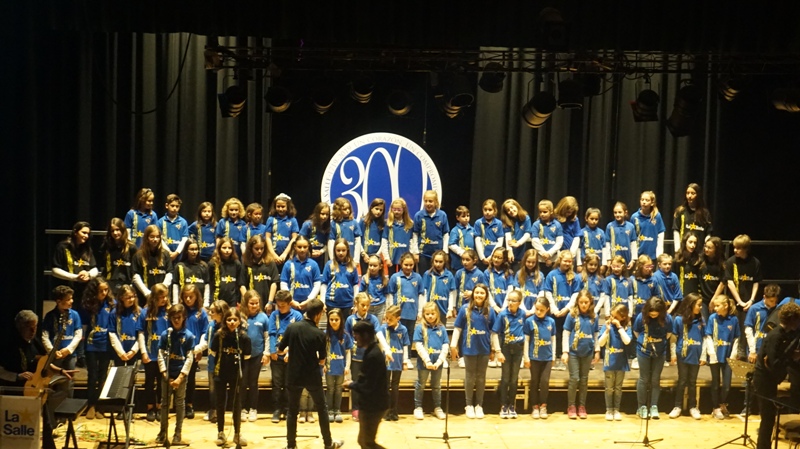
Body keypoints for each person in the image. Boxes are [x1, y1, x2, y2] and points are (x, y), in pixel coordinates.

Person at [0, 310, 79, 449]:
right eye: (29, 327)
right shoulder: (9, 345)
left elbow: (45, 362)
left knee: (47, 424)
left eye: (35, 327)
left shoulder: (34, 342)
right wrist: (16, 376)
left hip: (36, 390)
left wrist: (60, 370)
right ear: (20, 327)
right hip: (16, 393)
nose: (33, 330)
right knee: (22, 428)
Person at [278, 298, 345, 449]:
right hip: (312, 376)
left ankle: (291, 445)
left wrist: (291, 351)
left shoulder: (292, 328)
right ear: (319, 314)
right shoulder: (319, 334)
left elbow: (280, 351)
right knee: (322, 409)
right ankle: (328, 444)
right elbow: (322, 361)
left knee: (292, 411)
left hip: (293, 375)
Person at [753, 302, 800, 449]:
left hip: (770, 379)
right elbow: (773, 363)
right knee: (767, 419)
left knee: (769, 419)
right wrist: (791, 357)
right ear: (793, 320)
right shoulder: (776, 336)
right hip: (763, 380)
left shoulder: (787, 334)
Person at [450, 283, 496, 419]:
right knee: (470, 377)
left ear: (486, 295)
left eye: (482, 293)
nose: (479, 295)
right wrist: (453, 346)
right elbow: (458, 328)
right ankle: (469, 404)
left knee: (481, 377)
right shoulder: (465, 309)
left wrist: (493, 348)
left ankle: (479, 405)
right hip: (469, 348)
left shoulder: (490, 311)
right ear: (472, 294)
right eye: (477, 293)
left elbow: (494, 331)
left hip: (484, 349)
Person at [210, 308, 251, 447]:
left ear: (239, 321)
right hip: (220, 374)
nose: (232, 322)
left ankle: (237, 434)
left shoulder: (244, 338)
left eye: (235, 320)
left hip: (236, 375)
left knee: (236, 404)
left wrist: (242, 376)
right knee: (220, 403)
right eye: (229, 320)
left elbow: (246, 359)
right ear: (224, 321)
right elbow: (213, 353)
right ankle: (221, 433)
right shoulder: (218, 336)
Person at [345, 320, 388, 449]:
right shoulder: (371, 352)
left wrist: (351, 385)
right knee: (364, 441)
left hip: (374, 405)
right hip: (372, 404)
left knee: (367, 442)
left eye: (356, 336)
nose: (355, 340)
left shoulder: (373, 356)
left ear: (365, 335)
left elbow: (369, 387)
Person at [156, 304, 195, 445]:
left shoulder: (189, 336)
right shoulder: (166, 335)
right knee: (164, 403)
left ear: (184, 317)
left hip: (180, 376)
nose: (176, 320)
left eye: (179, 318)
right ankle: (162, 432)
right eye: (173, 318)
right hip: (167, 374)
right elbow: (160, 354)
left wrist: (180, 377)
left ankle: (178, 433)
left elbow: (189, 358)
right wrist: (165, 373)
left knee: (179, 404)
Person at [80, 278, 115, 419]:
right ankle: (91, 405)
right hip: (91, 344)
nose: (104, 293)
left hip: (106, 344)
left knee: (102, 376)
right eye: (101, 291)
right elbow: (82, 327)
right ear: (94, 291)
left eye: (106, 290)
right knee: (92, 375)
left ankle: (101, 406)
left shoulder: (112, 304)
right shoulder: (87, 305)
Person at [633, 297, 673, 419]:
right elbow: (636, 332)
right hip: (643, 351)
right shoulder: (641, 317)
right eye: (651, 312)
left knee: (655, 379)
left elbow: (668, 334)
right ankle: (641, 407)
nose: (653, 314)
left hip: (659, 352)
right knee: (644, 379)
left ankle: (654, 406)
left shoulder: (667, 318)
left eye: (656, 312)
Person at [562, 290, 600, 419]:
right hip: (573, 352)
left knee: (584, 380)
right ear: (577, 302)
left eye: (586, 302)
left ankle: (582, 406)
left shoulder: (594, 317)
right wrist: (565, 352)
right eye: (581, 302)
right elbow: (566, 333)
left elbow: (596, 335)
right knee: (574, 379)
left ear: (590, 303)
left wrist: (597, 350)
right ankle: (571, 405)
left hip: (587, 353)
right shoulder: (572, 315)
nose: (584, 305)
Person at [344, 292, 382, 422]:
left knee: (369, 383)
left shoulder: (373, 319)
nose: (365, 308)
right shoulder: (350, 320)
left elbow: (378, 334)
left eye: (367, 305)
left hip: (369, 358)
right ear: (356, 304)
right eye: (362, 305)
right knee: (356, 383)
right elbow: (347, 336)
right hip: (355, 357)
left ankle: (368, 407)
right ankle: (355, 408)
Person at [268, 290, 304, 423]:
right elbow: (272, 333)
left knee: (290, 384)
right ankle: (277, 409)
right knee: (277, 384)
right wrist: (273, 350)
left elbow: (298, 338)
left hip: (291, 355)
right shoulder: (274, 315)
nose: (280, 308)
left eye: (283, 305)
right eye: (278, 305)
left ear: (290, 304)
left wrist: (290, 352)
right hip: (277, 355)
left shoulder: (298, 316)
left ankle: (290, 409)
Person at [543, 250, 583, 370]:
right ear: (560, 260)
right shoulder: (552, 275)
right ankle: (554, 358)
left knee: (567, 335)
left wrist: (566, 309)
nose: (567, 263)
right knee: (556, 335)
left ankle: (566, 359)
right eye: (565, 261)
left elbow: (576, 295)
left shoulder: (575, 277)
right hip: (554, 311)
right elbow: (548, 292)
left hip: (568, 312)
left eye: (570, 261)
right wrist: (554, 308)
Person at [725, 234, 762, 360]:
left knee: (747, 328)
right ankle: (732, 354)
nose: (735, 250)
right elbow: (729, 282)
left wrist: (751, 300)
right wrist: (739, 301)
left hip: (749, 302)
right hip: (735, 301)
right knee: (735, 328)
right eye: (734, 247)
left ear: (745, 249)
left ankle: (745, 354)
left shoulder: (755, 262)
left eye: (738, 248)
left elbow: (756, 282)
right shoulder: (731, 262)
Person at [42, 285, 83, 397]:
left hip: (69, 355)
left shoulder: (74, 315)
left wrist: (68, 350)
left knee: (68, 381)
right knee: (53, 382)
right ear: (59, 301)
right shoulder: (50, 316)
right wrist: (52, 351)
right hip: (55, 355)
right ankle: (52, 410)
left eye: (72, 298)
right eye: (68, 299)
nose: (72, 301)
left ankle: (67, 409)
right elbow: (44, 335)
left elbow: (78, 334)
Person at [136, 283, 170, 421]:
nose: (164, 300)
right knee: (149, 382)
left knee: (163, 382)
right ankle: (150, 408)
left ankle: (160, 407)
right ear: (154, 298)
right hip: (150, 353)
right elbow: (141, 333)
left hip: (164, 354)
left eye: (166, 297)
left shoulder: (169, 312)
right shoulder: (145, 312)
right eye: (161, 297)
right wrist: (143, 352)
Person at [669, 293, 705, 420]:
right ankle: (677, 406)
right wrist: (673, 354)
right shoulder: (679, 320)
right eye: (698, 305)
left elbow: (705, 338)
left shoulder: (701, 320)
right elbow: (673, 338)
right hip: (682, 355)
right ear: (690, 305)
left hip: (695, 355)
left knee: (692, 382)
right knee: (682, 380)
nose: (700, 308)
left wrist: (704, 355)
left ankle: (693, 407)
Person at [705, 294, 740, 419]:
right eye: (714, 306)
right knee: (715, 383)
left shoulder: (734, 320)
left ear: (725, 306)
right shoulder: (712, 318)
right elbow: (708, 336)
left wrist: (733, 355)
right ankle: (715, 408)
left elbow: (736, 338)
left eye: (717, 306)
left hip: (728, 357)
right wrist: (712, 354)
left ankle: (722, 404)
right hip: (715, 356)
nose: (715, 308)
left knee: (727, 384)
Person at [413, 302, 449, 420]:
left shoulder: (441, 328)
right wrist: (427, 361)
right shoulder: (420, 328)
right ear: (423, 314)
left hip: (437, 363)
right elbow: (418, 345)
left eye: (432, 313)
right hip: (424, 363)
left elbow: (445, 345)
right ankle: (418, 407)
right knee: (421, 384)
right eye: (427, 314)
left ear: (437, 314)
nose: (430, 316)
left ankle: (438, 407)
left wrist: (439, 361)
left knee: (436, 385)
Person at [493, 290, 525, 418]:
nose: (510, 303)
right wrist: (498, 351)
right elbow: (495, 333)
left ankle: (512, 405)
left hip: (518, 349)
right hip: (505, 349)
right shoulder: (502, 315)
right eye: (509, 300)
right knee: (505, 378)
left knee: (514, 379)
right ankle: (503, 405)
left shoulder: (522, 314)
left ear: (519, 302)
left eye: (513, 301)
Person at [196, 300, 230, 423]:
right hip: (212, 362)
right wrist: (196, 350)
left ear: (220, 313)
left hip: (224, 364)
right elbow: (206, 341)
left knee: (222, 388)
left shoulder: (227, 326)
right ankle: (213, 409)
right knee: (212, 388)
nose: (209, 313)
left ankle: (221, 411)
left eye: (212, 311)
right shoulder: (211, 326)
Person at [523, 297, 556, 419]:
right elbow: (526, 340)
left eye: (542, 310)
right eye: (537, 309)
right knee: (535, 382)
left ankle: (543, 405)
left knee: (544, 382)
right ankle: (534, 406)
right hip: (534, 357)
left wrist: (553, 356)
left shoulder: (551, 322)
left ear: (547, 309)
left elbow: (553, 339)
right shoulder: (529, 321)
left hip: (547, 358)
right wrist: (526, 357)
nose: (538, 312)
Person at [178, 284, 208, 419]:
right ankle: (179, 404)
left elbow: (204, 332)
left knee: (190, 379)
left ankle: (189, 404)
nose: (188, 299)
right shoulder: (179, 310)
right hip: (178, 350)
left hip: (193, 350)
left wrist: (200, 348)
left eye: (191, 296)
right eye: (186, 297)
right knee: (179, 377)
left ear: (197, 296)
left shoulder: (201, 312)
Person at [599, 303, 632, 421]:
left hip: (621, 363)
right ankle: (609, 409)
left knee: (618, 388)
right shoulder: (606, 326)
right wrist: (607, 331)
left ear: (623, 318)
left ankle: (616, 409)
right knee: (609, 388)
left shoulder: (626, 328)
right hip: (609, 363)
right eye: (612, 316)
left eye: (616, 317)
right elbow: (600, 343)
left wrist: (619, 327)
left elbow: (627, 341)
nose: (612, 319)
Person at [378, 305, 410, 421]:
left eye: (390, 319)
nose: (387, 321)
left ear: (398, 318)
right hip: (386, 362)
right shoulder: (383, 328)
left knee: (395, 386)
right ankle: (385, 411)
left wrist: (405, 361)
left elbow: (405, 346)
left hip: (397, 361)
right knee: (385, 387)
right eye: (386, 318)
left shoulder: (403, 330)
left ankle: (394, 411)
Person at [242, 290, 269, 422]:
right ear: (246, 303)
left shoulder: (263, 317)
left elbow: (267, 337)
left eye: (256, 303)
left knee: (253, 383)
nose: (254, 306)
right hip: (242, 356)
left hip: (257, 355)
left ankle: (253, 408)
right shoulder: (241, 317)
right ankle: (242, 409)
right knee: (242, 383)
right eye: (251, 303)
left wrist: (266, 353)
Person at [131, 224, 173, 306]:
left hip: (162, 297)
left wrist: (161, 291)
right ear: (146, 238)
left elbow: (170, 273)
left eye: (157, 237)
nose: (155, 239)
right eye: (152, 237)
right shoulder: (138, 255)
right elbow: (135, 276)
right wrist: (147, 293)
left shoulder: (165, 254)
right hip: (145, 297)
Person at [386, 253, 424, 338]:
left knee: (409, 336)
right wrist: (391, 310)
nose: (408, 267)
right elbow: (390, 294)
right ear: (401, 264)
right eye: (406, 265)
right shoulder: (395, 277)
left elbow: (421, 295)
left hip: (412, 313)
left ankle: (408, 352)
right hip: (398, 314)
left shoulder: (418, 277)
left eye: (411, 265)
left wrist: (420, 311)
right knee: (396, 335)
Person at [325, 308, 352, 424]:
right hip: (329, 367)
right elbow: (321, 352)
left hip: (341, 367)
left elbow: (348, 352)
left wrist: (347, 366)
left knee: (338, 389)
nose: (334, 322)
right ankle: (329, 411)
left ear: (341, 320)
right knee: (330, 389)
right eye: (331, 319)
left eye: (336, 319)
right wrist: (323, 364)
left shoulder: (345, 335)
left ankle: (337, 410)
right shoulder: (325, 335)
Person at [322, 238, 360, 321]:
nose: (341, 253)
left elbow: (355, 285)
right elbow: (324, 284)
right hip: (331, 303)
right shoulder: (329, 265)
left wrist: (356, 303)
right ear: (334, 251)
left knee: (347, 329)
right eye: (338, 250)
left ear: (347, 250)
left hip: (348, 304)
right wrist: (322, 302)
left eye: (343, 250)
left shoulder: (352, 266)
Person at [412, 190, 450, 273]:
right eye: (426, 201)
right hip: (423, 254)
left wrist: (445, 251)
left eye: (430, 201)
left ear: (436, 202)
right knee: (424, 277)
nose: (428, 203)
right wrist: (415, 252)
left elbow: (445, 234)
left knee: (437, 278)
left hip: (438, 255)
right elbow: (415, 234)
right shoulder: (418, 215)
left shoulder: (442, 215)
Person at [280, 236, 322, 310]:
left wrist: (308, 300)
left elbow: (317, 285)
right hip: (291, 304)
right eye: (299, 247)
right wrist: (291, 300)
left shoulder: (313, 264)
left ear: (308, 247)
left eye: (305, 247)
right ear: (295, 247)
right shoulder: (288, 264)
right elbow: (283, 284)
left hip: (309, 304)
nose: (302, 249)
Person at [98, 217, 137, 294]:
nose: (115, 233)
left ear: (122, 230)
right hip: (109, 283)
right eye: (112, 231)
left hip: (127, 284)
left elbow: (135, 268)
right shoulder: (106, 246)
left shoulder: (132, 247)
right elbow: (102, 265)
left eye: (117, 230)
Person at [242, 234, 280, 310]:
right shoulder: (246, 263)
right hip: (251, 304)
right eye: (256, 249)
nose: (259, 251)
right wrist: (247, 302)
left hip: (267, 303)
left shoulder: (270, 263)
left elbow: (274, 283)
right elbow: (242, 285)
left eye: (262, 248)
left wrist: (270, 302)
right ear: (251, 248)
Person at [672, 183, 713, 250]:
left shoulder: (705, 213)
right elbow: (676, 230)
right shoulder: (680, 211)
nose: (689, 196)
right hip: (684, 250)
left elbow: (708, 233)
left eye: (692, 193)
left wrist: (706, 248)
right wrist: (677, 249)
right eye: (687, 193)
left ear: (698, 195)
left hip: (700, 251)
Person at [109, 284, 141, 367]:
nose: (131, 299)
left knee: (132, 377)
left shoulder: (139, 312)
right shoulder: (114, 313)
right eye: (128, 297)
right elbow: (112, 333)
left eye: (133, 296)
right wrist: (121, 352)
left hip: (134, 351)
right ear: (121, 298)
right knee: (119, 377)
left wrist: (133, 351)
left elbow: (141, 334)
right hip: (119, 352)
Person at [172, 237, 210, 306]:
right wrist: (175, 304)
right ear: (186, 250)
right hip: (184, 305)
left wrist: (206, 304)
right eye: (192, 249)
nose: (194, 252)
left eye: (196, 249)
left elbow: (207, 286)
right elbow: (175, 286)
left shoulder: (204, 266)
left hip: (200, 305)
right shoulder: (180, 266)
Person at [422, 250, 456, 326]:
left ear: (445, 262)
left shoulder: (449, 275)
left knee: (440, 332)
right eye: (436, 261)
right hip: (429, 311)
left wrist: (450, 309)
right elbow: (424, 292)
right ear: (432, 261)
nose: (438, 264)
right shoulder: (428, 274)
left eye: (441, 262)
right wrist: (423, 307)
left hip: (443, 310)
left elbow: (451, 293)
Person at [209, 237, 246, 307]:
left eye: (229, 248)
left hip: (232, 300)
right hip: (217, 300)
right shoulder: (213, 264)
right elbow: (209, 284)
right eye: (224, 247)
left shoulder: (237, 264)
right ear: (219, 248)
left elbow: (240, 283)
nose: (227, 250)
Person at [265, 193, 299, 267]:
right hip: (272, 256)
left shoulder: (293, 220)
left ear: (288, 207)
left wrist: (285, 254)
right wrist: (273, 254)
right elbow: (267, 237)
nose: (280, 209)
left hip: (287, 256)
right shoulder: (271, 219)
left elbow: (294, 238)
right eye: (278, 206)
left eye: (283, 206)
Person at [381, 198, 414, 273]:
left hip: (406, 259)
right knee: (392, 278)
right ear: (391, 209)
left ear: (404, 210)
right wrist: (387, 258)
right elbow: (384, 241)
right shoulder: (388, 224)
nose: (396, 212)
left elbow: (412, 241)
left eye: (399, 210)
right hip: (392, 258)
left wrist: (411, 255)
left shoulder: (409, 224)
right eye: (394, 209)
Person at [630, 191, 665, 261]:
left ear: (652, 203)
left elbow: (660, 234)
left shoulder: (657, 216)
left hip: (652, 256)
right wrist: (633, 255)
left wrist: (659, 254)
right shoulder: (634, 217)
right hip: (639, 255)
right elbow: (631, 238)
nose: (644, 202)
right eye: (642, 200)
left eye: (647, 200)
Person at [531, 199, 563, 273]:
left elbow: (559, 242)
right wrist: (543, 254)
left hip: (554, 259)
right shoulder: (536, 224)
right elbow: (534, 241)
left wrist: (549, 254)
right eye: (540, 212)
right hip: (540, 259)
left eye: (545, 212)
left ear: (551, 212)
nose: (542, 214)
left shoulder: (557, 225)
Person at [698, 237, 726, 321]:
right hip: (702, 298)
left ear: (716, 249)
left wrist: (713, 300)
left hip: (716, 298)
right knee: (704, 322)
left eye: (709, 248)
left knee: (715, 322)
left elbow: (722, 283)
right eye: (705, 246)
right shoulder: (700, 261)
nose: (706, 249)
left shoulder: (722, 264)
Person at [328, 197, 363, 264]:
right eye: (344, 209)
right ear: (338, 210)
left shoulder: (354, 222)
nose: (347, 211)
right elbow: (331, 242)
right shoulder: (334, 224)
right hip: (337, 258)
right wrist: (332, 259)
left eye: (348, 208)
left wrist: (356, 259)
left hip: (351, 258)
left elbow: (357, 241)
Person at [500, 199, 531, 271]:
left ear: (516, 206)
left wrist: (518, 243)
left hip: (521, 250)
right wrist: (509, 251)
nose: (510, 210)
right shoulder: (507, 221)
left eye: (512, 207)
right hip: (511, 252)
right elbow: (508, 236)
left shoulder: (526, 218)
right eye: (508, 210)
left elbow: (527, 233)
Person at [605, 202, 637, 270]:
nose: (617, 214)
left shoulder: (631, 226)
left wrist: (633, 260)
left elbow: (633, 243)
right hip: (614, 262)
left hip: (627, 260)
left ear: (625, 213)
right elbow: (607, 244)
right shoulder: (610, 226)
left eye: (620, 212)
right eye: (615, 212)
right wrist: (608, 259)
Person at [510, 249, 543, 314]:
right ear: (524, 261)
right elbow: (517, 294)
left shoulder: (540, 275)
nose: (530, 264)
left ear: (536, 263)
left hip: (535, 310)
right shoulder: (519, 274)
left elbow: (541, 294)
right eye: (528, 261)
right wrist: (524, 310)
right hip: (521, 309)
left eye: (533, 262)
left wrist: (532, 310)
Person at [474, 199, 504, 269]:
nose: (487, 212)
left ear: (495, 211)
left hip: (495, 258)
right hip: (482, 258)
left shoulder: (498, 223)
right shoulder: (478, 223)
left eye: (490, 210)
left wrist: (492, 256)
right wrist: (482, 258)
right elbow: (477, 241)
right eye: (485, 210)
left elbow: (500, 241)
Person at [299, 201, 331, 269]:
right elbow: (300, 240)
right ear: (317, 213)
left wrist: (321, 251)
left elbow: (328, 243)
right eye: (322, 214)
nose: (324, 216)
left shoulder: (328, 227)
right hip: (306, 255)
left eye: (327, 214)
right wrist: (309, 251)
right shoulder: (308, 224)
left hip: (320, 256)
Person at [158, 193, 189, 261]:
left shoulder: (183, 222)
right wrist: (168, 252)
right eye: (172, 206)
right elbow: (159, 239)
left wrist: (176, 253)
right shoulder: (160, 222)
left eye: (177, 206)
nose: (174, 208)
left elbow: (184, 239)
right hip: (165, 256)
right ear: (167, 205)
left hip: (179, 257)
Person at [360, 198, 386, 274]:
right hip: (365, 256)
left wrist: (377, 255)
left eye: (381, 210)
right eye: (376, 209)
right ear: (371, 208)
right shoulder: (363, 221)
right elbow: (358, 239)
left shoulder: (383, 224)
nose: (378, 212)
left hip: (377, 256)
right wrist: (363, 254)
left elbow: (384, 241)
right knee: (365, 278)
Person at [577, 208, 606, 273]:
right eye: (592, 219)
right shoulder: (581, 232)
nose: (594, 221)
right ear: (586, 218)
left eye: (596, 219)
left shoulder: (601, 232)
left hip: (598, 265)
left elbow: (604, 248)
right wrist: (578, 264)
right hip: (585, 264)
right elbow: (579, 249)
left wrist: (604, 264)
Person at [448, 205, 475, 272]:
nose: (466, 218)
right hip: (458, 263)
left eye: (468, 216)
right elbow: (451, 244)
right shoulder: (455, 230)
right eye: (463, 216)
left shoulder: (472, 229)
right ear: (457, 218)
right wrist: (463, 253)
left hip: (470, 263)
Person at [363, 255, 389, 323]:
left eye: (375, 266)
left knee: (378, 328)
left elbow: (386, 295)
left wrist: (386, 310)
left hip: (380, 308)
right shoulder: (365, 279)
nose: (372, 268)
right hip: (368, 308)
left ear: (380, 266)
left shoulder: (384, 280)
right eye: (370, 265)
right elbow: (360, 293)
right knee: (368, 329)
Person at [554, 196, 581, 261]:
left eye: (571, 212)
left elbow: (577, 237)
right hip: (555, 254)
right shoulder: (554, 218)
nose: (569, 214)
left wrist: (572, 252)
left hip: (570, 253)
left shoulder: (574, 220)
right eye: (567, 212)